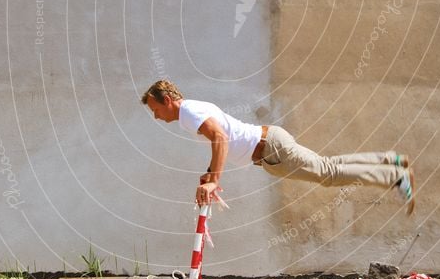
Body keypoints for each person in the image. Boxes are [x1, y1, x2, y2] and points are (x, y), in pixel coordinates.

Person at [141, 79, 415, 214]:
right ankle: (390, 160)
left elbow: (221, 138)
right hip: (271, 147)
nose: (156, 116)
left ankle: (394, 176)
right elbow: (222, 136)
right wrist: (210, 173)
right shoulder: (192, 110)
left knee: (328, 175)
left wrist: (215, 181)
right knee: (328, 166)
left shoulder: (188, 113)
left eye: (155, 109)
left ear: (166, 100)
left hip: (271, 149)